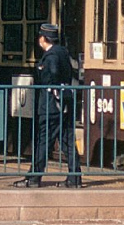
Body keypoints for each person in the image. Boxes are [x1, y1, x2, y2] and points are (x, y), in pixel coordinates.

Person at [14, 23, 82, 189]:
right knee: (67, 142)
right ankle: (74, 178)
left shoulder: (50, 56)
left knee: (43, 142)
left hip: (51, 106)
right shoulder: (63, 52)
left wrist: (43, 75)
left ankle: (34, 178)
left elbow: (50, 77)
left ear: (42, 38)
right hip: (65, 104)